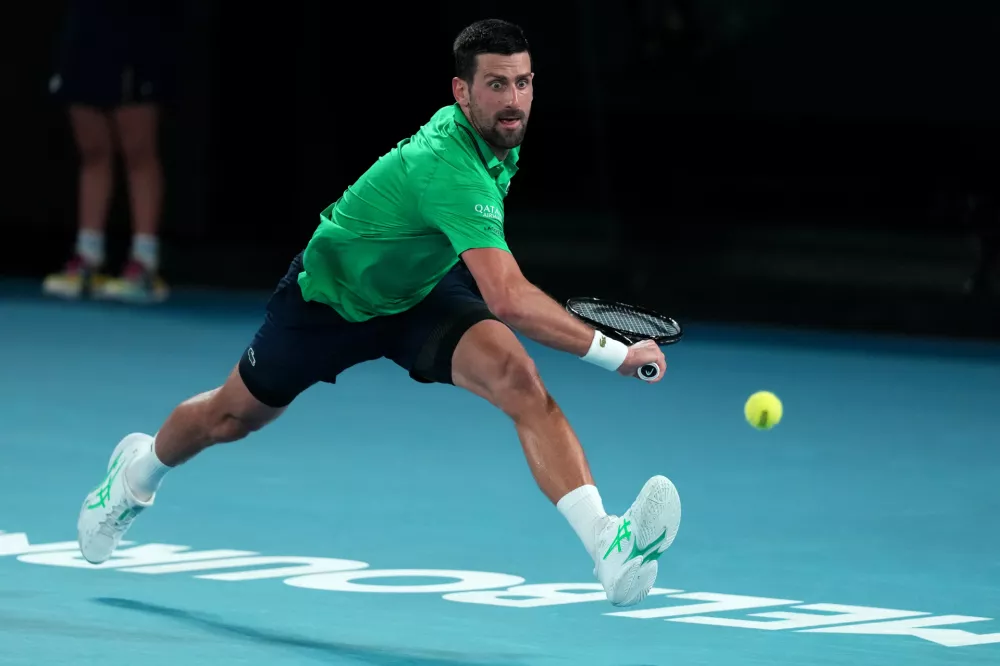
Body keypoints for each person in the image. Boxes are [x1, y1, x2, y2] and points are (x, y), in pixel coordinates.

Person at [76, 19, 681, 608]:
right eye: (496, 84)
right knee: (230, 418)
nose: (514, 100)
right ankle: (133, 477)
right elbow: (507, 297)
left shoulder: (497, 137)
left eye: (523, 82)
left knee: (517, 378)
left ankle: (607, 545)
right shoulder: (449, 165)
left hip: (418, 293)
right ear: (462, 90)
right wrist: (617, 355)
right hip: (329, 300)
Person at [43, 0, 171, 303]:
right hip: (87, 24)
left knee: (138, 150)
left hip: (134, 28)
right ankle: (88, 257)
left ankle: (144, 264)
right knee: (92, 150)